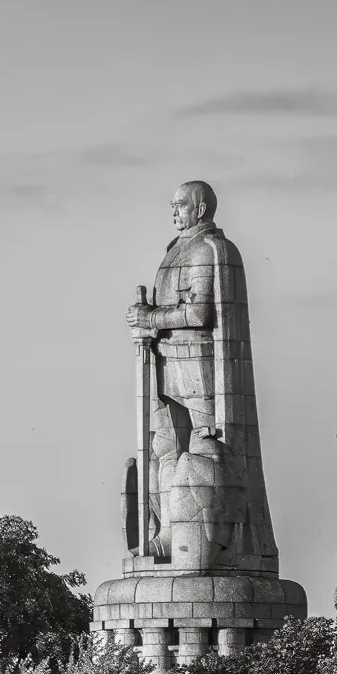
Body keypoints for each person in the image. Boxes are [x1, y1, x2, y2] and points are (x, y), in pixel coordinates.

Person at [123, 181, 276, 570]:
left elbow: (199, 313)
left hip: (203, 366)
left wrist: (151, 319)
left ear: (202, 208)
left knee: (206, 449)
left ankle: (209, 540)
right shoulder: (175, 251)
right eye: (171, 205)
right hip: (166, 362)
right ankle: (170, 533)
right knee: (165, 448)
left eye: (180, 205)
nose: (174, 212)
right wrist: (147, 328)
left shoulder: (211, 251)